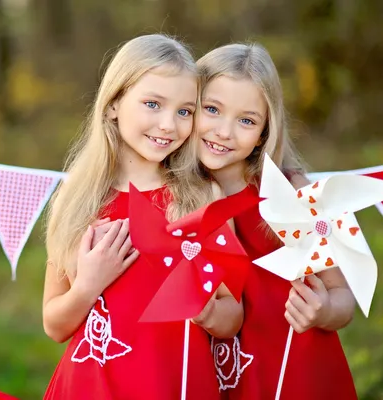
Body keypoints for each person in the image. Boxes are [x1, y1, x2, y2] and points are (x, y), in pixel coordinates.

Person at [42, 34, 242, 399]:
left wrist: (206, 312)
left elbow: (232, 315)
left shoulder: (200, 199)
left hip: (173, 385)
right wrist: (88, 285)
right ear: (114, 103)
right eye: (153, 104)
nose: (168, 124)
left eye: (184, 111)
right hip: (90, 388)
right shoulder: (77, 199)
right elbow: (54, 325)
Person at [191, 42, 358, 399]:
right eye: (212, 109)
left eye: (246, 121)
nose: (224, 131)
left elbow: (344, 297)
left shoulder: (291, 195)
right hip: (213, 374)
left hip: (296, 374)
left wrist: (323, 310)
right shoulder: (172, 197)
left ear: (265, 132)